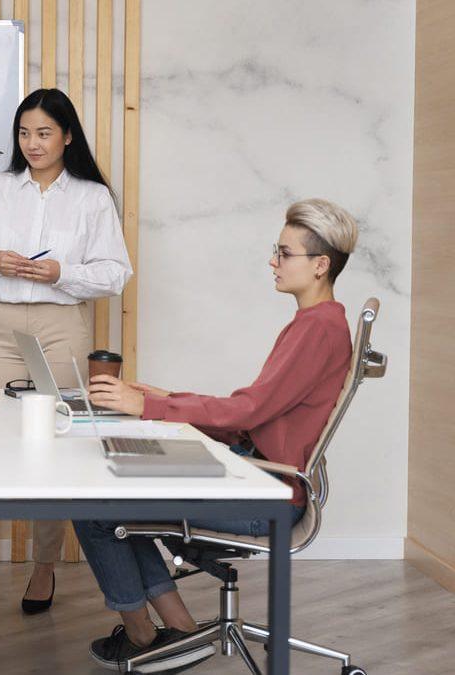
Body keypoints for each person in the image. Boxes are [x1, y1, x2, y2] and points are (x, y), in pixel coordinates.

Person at [74, 198, 358, 669]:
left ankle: (146, 636)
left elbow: (249, 409)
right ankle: (179, 632)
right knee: (116, 497)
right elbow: (253, 412)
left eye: (284, 253)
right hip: (259, 478)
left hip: (267, 496)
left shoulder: (319, 330)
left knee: (94, 507)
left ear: (321, 265)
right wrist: (167, 399)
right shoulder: (316, 323)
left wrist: (150, 405)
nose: (273, 261)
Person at [0, 88, 132, 614]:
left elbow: (115, 274)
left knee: (53, 446)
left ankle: (44, 568)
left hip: (62, 325)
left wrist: (62, 272)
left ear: (67, 135)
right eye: (25, 133)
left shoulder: (92, 196)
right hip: (3, 323)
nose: (33, 143)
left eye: (44, 133)